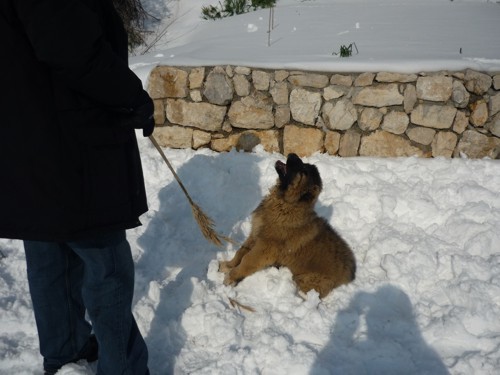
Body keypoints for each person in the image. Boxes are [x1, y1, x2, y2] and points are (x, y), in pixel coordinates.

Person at [0, 0, 154, 374]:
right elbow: (71, 47)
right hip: (75, 148)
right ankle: (124, 369)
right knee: (107, 268)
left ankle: (66, 356)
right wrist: (133, 97)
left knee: (49, 255)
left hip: (29, 143)